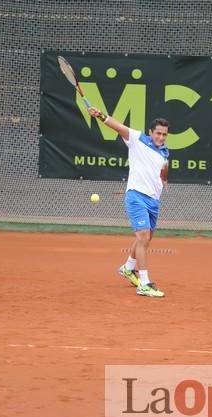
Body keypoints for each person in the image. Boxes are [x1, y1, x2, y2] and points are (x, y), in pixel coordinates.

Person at [87, 106, 169, 298]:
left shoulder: (165, 152)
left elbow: (163, 171)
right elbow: (117, 126)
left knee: (146, 238)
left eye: (164, 134)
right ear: (151, 132)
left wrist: (164, 182)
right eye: (158, 133)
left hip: (153, 201)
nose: (161, 137)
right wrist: (100, 115)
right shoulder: (137, 139)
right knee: (142, 237)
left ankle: (127, 268)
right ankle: (144, 283)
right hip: (136, 196)